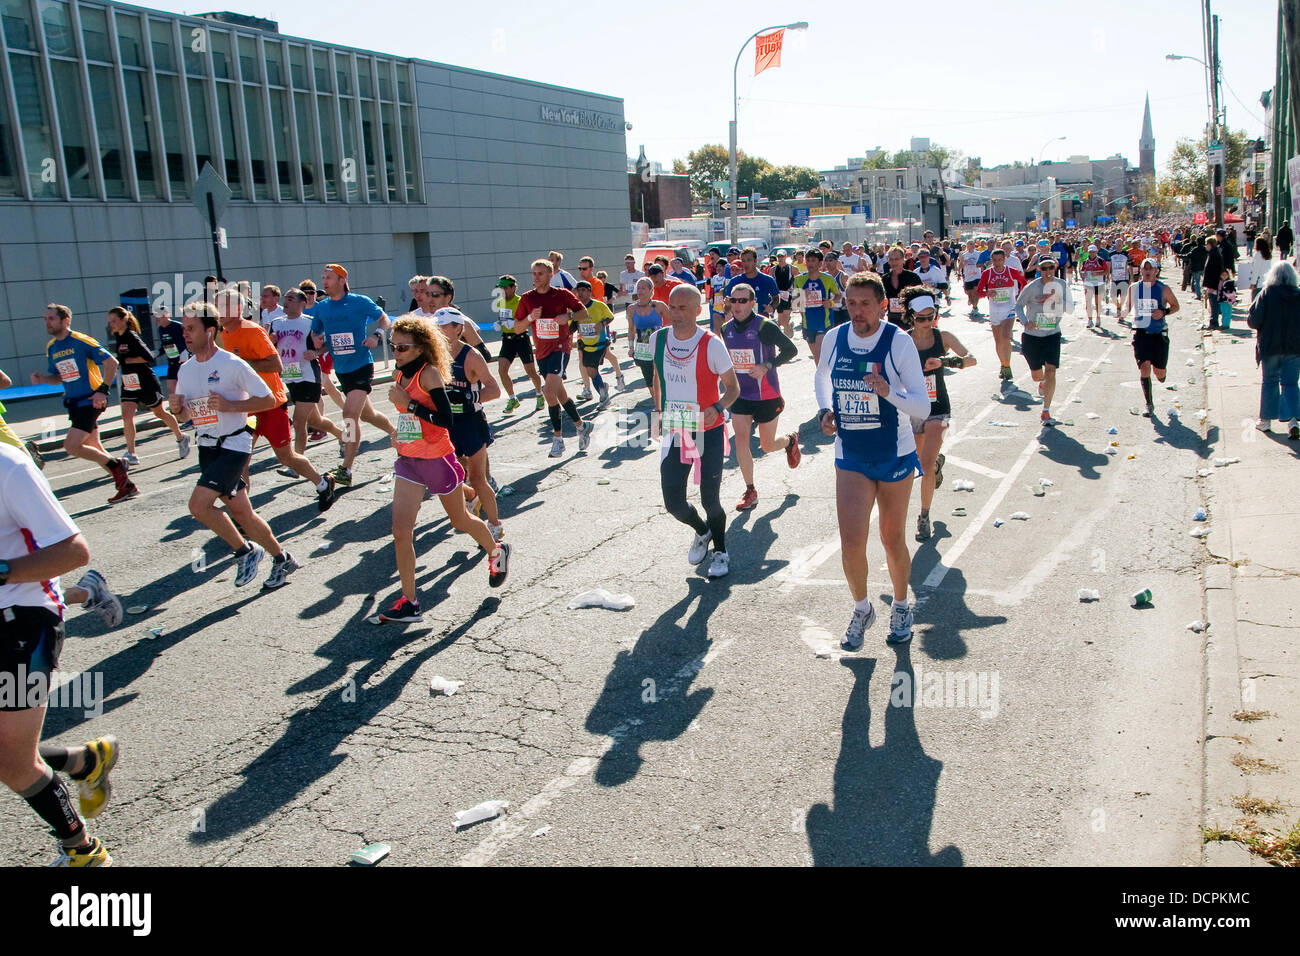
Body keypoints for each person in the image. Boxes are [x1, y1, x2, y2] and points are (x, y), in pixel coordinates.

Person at [0, 441, 124, 866]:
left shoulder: (8, 466)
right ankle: (84, 761)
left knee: (13, 765)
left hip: (20, 626)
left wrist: (2, 570)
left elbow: (73, 551)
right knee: (10, 755)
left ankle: (83, 851)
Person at [815, 273, 930, 649]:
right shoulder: (834, 338)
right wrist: (826, 410)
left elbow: (921, 405)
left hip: (893, 453)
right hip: (851, 454)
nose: (857, 310)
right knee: (851, 542)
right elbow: (821, 377)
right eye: (851, 302)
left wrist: (888, 391)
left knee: (891, 538)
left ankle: (900, 604)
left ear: (883, 305)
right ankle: (862, 609)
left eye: (865, 303)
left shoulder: (898, 342)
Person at [378, 316, 509, 622]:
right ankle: (410, 602)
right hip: (408, 460)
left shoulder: (429, 374)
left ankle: (496, 551)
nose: (395, 351)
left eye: (402, 346)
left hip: (438, 459)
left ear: (421, 347)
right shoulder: (400, 373)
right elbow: (413, 420)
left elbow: (446, 420)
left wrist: (408, 404)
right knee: (400, 532)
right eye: (392, 345)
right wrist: (398, 433)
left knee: (460, 519)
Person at [170, 302, 302, 589]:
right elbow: (186, 415)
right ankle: (282, 558)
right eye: (184, 329)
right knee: (242, 513)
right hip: (207, 446)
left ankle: (245, 551)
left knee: (198, 506)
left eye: (191, 328)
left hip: (234, 444)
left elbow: (269, 400)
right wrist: (177, 409)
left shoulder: (232, 364)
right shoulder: (186, 370)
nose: (186, 335)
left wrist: (232, 405)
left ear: (210, 330)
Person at [215, 289, 337, 510]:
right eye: (216, 306)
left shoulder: (253, 332)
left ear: (237, 309)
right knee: (240, 459)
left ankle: (322, 482)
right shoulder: (223, 334)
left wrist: (244, 365)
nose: (218, 311)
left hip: (269, 403)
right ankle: (243, 513)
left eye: (223, 306)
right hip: (245, 407)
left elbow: (275, 365)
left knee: (287, 457)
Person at [652, 285, 741, 578]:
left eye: (683, 308)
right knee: (673, 502)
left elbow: (732, 388)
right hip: (676, 430)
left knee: (709, 500)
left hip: (708, 431)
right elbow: (657, 379)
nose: (675, 314)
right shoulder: (659, 339)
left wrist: (717, 407)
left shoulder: (711, 343)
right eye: (672, 307)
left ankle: (721, 552)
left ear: (697, 311)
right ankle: (702, 531)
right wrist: (658, 417)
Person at [29, 304, 137, 504]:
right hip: (74, 403)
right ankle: (127, 486)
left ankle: (117, 465)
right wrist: (43, 378)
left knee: (71, 446)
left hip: (90, 401)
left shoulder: (81, 341)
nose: (47, 322)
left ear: (65, 321)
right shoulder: (52, 347)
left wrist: (102, 391)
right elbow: (59, 377)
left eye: (51, 318)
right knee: (93, 446)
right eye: (45, 319)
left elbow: (112, 363)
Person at [309, 263, 396, 486]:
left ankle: (346, 469)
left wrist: (376, 336)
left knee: (349, 415)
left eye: (328, 277)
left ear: (341, 280)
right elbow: (318, 333)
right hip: (342, 368)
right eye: (323, 277)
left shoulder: (359, 301)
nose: (324, 281)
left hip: (361, 366)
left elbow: (383, 318)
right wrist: (316, 343)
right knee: (367, 414)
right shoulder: (322, 308)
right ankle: (395, 432)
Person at [721, 283, 800, 512]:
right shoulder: (726, 329)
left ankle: (789, 441)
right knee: (741, 441)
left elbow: (791, 350)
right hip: (740, 394)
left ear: (752, 302)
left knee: (767, 445)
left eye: (743, 300)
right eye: (733, 300)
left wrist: (767, 365)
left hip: (766, 394)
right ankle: (750, 490)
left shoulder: (765, 326)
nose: (737, 305)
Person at [904, 287, 975, 541]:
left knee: (922, 465)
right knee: (918, 464)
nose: (925, 323)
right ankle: (936, 465)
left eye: (930, 317)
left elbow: (971, 359)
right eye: (920, 318)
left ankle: (923, 517)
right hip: (912, 408)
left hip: (937, 408)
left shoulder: (942, 337)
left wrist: (944, 362)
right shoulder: (902, 339)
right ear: (911, 317)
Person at [434, 307, 505, 542]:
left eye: (445, 326)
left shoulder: (471, 356)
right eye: (437, 327)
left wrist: (468, 397)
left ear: (458, 329)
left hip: (470, 422)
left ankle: (495, 525)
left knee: (476, 477)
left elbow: (494, 390)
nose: (441, 331)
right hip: (446, 424)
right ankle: (472, 497)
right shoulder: (432, 355)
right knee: (448, 474)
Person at [515, 258, 593, 457]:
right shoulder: (527, 298)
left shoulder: (562, 294)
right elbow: (517, 328)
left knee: (548, 392)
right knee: (559, 394)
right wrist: (531, 317)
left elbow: (583, 312)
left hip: (560, 348)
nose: (536, 277)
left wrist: (568, 317)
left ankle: (557, 439)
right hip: (541, 351)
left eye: (540, 273)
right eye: (534, 273)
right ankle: (581, 425)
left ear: (550, 275)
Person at [269, 287, 345, 466]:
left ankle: (297, 464)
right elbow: (269, 347)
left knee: (298, 421)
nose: (286, 302)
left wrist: (317, 352)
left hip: (308, 376)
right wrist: (270, 342)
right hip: (289, 376)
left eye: (291, 299)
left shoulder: (311, 323)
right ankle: (343, 436)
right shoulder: (276, 323)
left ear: (302, 303)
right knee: (315, 420)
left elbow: (329, 343)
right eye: (286, 299)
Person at [105, 306, 189, 465]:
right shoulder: (118, 336)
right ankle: (131, 453)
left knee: (159, 413)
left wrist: (131, 360)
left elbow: (148, 357)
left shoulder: (132, 336)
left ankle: (181, 437)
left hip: (145, 381)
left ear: (124, 320)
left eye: (114, 321)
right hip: (129, 381)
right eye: (110, 322)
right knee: (126, 416)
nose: (112, 324)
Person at [1014, 256, 1072, 426]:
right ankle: (1042, 383)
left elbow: (1070, 307)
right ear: (1039, 270)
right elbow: (1018, 306)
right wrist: (1025, 322)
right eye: (1044, 268)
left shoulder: (1061, 285)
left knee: (1051, 371)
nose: (1048, 272)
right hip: (1033, 336)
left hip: (1052, 334)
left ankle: (1046, 411)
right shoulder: (1032, 287)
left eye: (1050, 268)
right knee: (1037, 375)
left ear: (1055, 268)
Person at [1246, 260, 1300, 438]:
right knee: (1291, 383)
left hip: (1270, 346)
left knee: (1269, 381)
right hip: (1294, 347)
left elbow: (1253, 320)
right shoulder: (1298, 294)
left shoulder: (1266, 294)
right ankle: (1293, 421)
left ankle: (1266, 421)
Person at [1124, 259, 1181, 417]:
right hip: (1141, 334)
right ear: (1140, 271)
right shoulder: (1134, 288)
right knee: (1145, 367)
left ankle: (1162, 374)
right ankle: (1149, 404)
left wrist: (1163, 312)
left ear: (1156, 271)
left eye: (1151, 268)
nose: (1147, 271)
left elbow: (1176, 306)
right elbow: (1128, 307)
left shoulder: (1164, 289)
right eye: (1145, 268)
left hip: (1158, 335)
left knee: (1159, 373)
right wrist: (1122, 314)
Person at [491, 275, 546, 414]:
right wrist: (499, 323)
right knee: (502, 370)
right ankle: (512, 399)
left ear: (513, 287)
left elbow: (529, 320)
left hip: (521, 339)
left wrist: (514, 323)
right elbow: (502, 317)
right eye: (500, 288)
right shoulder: (500, 302)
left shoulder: (522, 301)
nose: (502, 290)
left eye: (505, 288)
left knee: (531, 372)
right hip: (507, 340)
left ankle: (539, 394)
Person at [975, 249, 1026, 384]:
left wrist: (1020, 296)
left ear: (1004, 259)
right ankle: (1003, 364)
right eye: (995, 260)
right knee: (998, 341)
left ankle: (1008, 365)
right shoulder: (987, 273)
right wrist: (987, 293)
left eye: (1000, 260)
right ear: (991, 261)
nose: (997, 263)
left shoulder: (1010, 271)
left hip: (1009, 308)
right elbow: (979, 292)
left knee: (1005, 337)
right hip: (995, 310)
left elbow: (1023, 281)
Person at [793, 249, 843, 364]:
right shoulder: (799, 279)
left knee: (819, 351)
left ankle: (824, 378)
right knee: (816, 355)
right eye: (808, 260)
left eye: (813, 260)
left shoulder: (828, 279)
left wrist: (830, 303)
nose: (810, 263)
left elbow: (838, 296)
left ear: (820, 263)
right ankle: (822, 377)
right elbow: (795, 303)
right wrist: (801, 298)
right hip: (808, 323)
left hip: (824, 322)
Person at [573, 280, 613, 405]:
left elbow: (610, 316)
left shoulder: (599, 305)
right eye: (578, 291)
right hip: (585, 346)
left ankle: (604, 397)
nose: (580, 293)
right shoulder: (576, 309)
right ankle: (602, 388)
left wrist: (602, 324)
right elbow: (572, 326)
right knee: (591, 372)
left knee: (591, 370)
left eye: (583, 290)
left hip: (599, 344)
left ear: (590, 292)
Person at [626, 276, 668, 392]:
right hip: (643, 350)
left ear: (651, 290)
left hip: (659, 348)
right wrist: (631, 347)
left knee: (661, 378)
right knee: (649, 382)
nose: (640, 291)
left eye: (643, 288)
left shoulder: (659, 306)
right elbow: (630, 330)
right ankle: (657, 405)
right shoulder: (632, 308)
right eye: (638, 288)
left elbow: (673, 322)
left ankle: (662, 404)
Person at [725, 247, 780, 317]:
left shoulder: (767, 280)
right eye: (743, 261)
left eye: (749, 260)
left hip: (760, 321)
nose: (746, 263)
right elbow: (726, 308)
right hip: (741, 322)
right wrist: (727, 305)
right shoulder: (735, 281)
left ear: (755, 260)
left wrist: (772, 307)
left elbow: (776, 298)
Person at [881, 247, 922, 328]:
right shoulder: (884, 279)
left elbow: (921, 297)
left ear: (903, 260)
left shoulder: (912, 277)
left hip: (909, 318)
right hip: (892, 318)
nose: (894, 262)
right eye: (891, 259)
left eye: (896, 259)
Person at [1079, 245, 1108, 330]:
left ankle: (1098, 318)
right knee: (1088, 302)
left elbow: (1106, 271)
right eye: (1090, 252)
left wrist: (1097, 274)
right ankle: (1089, 319)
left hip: (1098, 284)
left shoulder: (1101, 260)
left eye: (1093, 252)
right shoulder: (1085, 262)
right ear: (1088, 252)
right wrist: (1083, 275)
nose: (1092, 253)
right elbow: (1081, 270)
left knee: (1097, 302)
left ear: (1096, 252)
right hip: (1088, 284)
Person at [1249, 237, 1273, 304]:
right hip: (1266, 281)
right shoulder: (1268, 255)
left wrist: (1253, 283)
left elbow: (1256, 270)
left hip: (1258, 282)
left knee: (1255, 302)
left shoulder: (1258, 255)